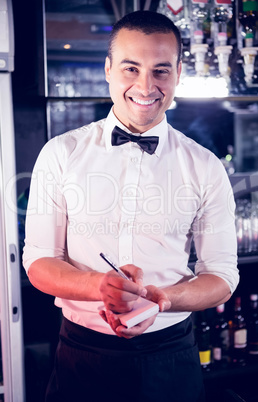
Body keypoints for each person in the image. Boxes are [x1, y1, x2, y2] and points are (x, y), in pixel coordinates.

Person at [23, 10, 239, 402]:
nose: (146, 85)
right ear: (108, 70)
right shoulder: (60, 154)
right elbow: (39, 261)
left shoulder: (205, 165)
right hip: (81, 355)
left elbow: (222, 276)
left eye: (161, 70)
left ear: (177, 75)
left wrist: (165, 298)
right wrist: (98, 286)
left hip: (171, 356)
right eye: (130, 68)